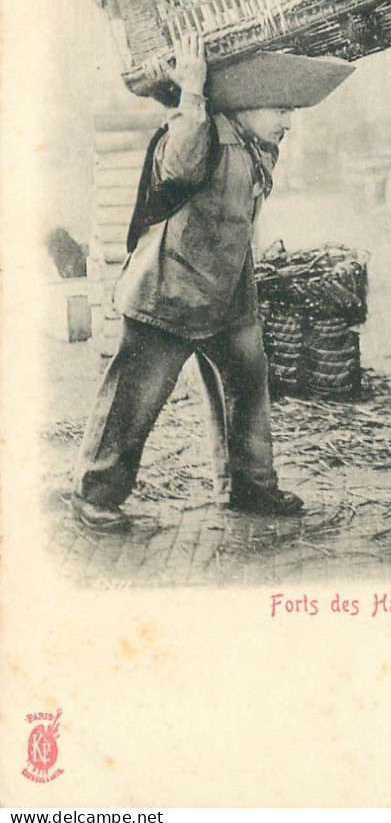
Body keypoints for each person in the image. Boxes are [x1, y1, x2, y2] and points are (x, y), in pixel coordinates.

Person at [72, 35, 354, 531]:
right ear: (244, 104)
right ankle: (95, 495)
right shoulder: (201, 133)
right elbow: (179, 160)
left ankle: (250, 487)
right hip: (169, 295)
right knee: (134, 397)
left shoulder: (255, 143)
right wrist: (194, 93)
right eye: (281, 109)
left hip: (228, 297)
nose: (288, 121)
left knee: (248, 386)